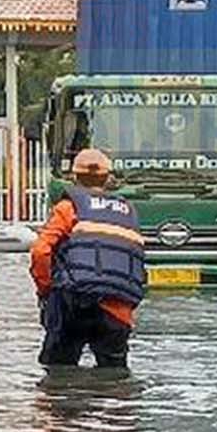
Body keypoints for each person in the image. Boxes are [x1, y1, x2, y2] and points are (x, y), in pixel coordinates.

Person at [29, 148, 147, 369]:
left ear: (74, 177)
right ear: (108, 178)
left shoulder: (68, 207)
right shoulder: (128, 212)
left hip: (72, 302)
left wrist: (45, 289)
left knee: (57, 372)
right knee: (115, 379)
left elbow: (40, 251)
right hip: (117, 307)